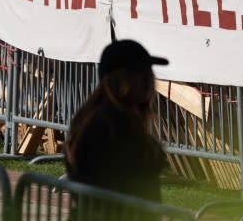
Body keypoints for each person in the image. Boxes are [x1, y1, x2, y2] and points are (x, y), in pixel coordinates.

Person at [65, 39, 168, 203]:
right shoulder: (109, 126)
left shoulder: (96, 117)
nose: (148, 80)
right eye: (138, 73)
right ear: (118, 79)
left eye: (149, 72)